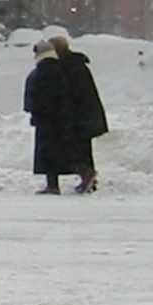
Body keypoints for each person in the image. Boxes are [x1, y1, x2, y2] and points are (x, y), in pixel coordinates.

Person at [51, 35, 109, 193]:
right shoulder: (77, 64)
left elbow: (71, 93)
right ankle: (89, 178)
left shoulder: (68, 67)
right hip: (87, 114)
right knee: (83, 148)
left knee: (72, 148)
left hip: (79, 116)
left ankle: (86, 174)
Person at [23, 40, 76, 194]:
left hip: (47, 119)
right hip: (59, 117)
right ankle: (79, 174)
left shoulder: (43, 71)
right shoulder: (58, 69)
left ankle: (52, 185)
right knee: (60, 152)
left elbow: (40, 95)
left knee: (49, 153)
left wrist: (35, 110)